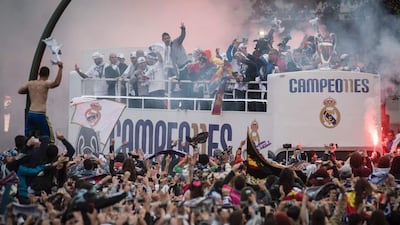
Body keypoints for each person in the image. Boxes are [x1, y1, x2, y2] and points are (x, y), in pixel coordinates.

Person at [18, 61, 63, 143]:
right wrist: (60, 68)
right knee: (47, 138)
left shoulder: (30, 84)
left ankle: (27, 151)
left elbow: (20, 91)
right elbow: (56, 83)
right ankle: (45, 153)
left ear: (39, 73)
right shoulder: (46, 83)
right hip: (40, 114)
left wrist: (30, 91)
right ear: (48, 75)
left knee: (28, 137)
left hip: (31, 113)